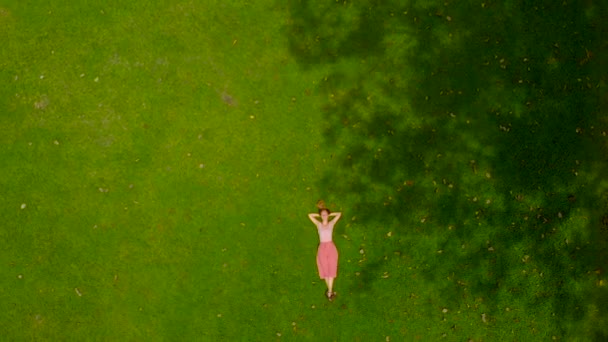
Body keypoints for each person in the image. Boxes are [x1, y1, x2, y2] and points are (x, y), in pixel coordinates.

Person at [308, 203, 342, 301]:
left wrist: (329, 214)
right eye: (322, 215)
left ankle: (330, 292)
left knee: (331, 269)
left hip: (331, 247)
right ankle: (330, 292)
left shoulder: (331, 223)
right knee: (326, 270)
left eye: (325, 214)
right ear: (320, 216)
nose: (324, 216)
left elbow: (339, 214)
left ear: (328, 215)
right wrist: (320, 214)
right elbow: (310, 215)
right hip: (322, 247)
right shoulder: (318, 224)